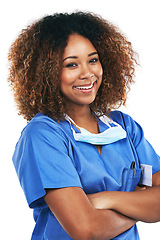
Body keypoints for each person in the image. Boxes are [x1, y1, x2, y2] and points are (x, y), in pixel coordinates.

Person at [8, 11, 160, 240]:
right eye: (71, 65)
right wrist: (140, 206)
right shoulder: (42, 136)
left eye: (93, 60)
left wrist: (107, 199)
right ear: (47, 73)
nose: (87, 74)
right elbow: (85, 229)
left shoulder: (125, 127)